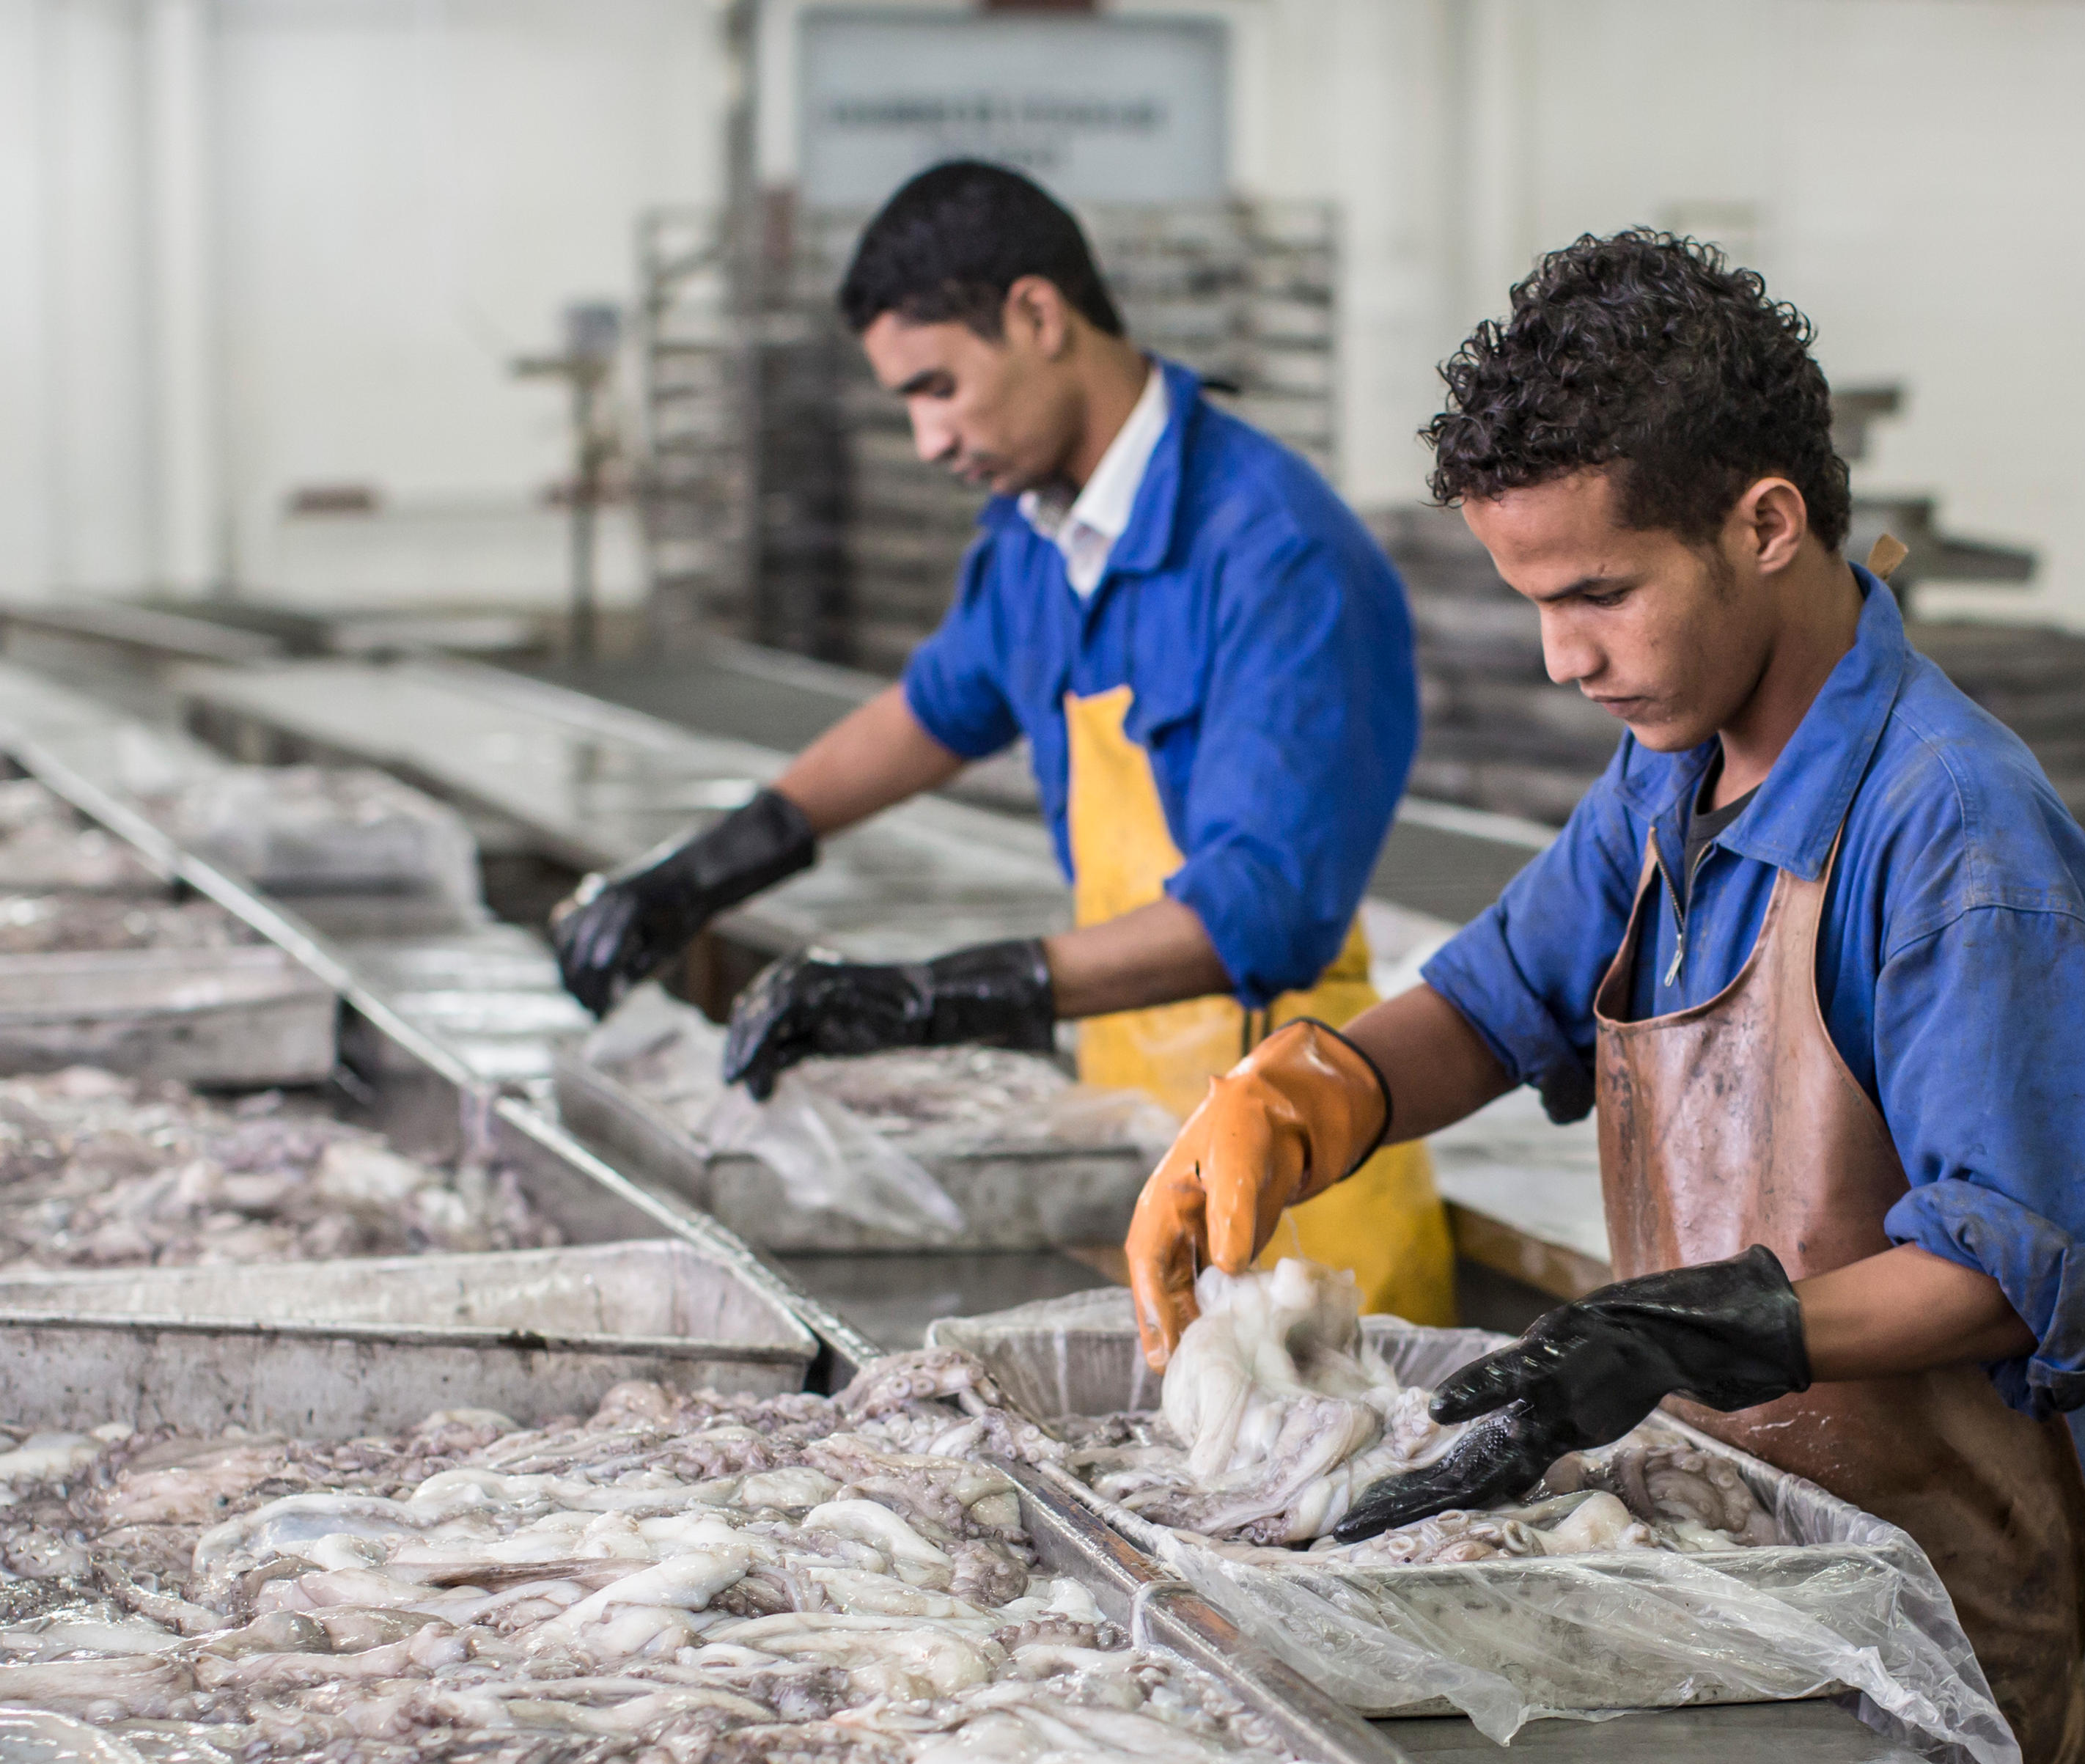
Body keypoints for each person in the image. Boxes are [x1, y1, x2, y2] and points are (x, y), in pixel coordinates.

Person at [1124, 232, 2085, 1764]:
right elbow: (1490, 1001)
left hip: (1929, 1613)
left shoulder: (1949, 829)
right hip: (1729, 1560)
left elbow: (2021, 1258)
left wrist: (1699, 1333)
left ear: (1764, 523)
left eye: (1598, 594)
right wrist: (1301, 1096)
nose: (1560, 658)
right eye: (1533, 603)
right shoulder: (1668, 780)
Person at [553, 160, 1454, 1320]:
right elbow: (931, 711)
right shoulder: (1038, 539)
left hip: (1310, 1189)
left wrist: (936, 997)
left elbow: (1264, 913)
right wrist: (700, 873)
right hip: (1137, 1140)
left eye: (937, 386)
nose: (927, 439)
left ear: (1037, 315)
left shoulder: (1277, 553)